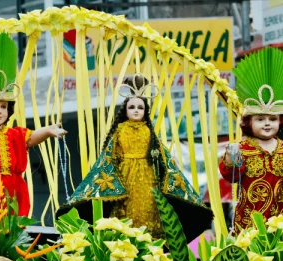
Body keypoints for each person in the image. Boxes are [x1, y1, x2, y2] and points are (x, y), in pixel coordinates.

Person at [58, 73, 212, 242]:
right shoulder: (120, 131)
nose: (136, 110)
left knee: (148, 208)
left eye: (140, 107)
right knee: (126, 209)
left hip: (148, 177)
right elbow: (109, 157)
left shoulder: (149, 132)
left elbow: (163, 156)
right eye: (132, 107)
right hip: (125, 177)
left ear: (145, 111)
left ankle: (147, 240)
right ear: (125, 110)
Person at [0, 32, 67, 216]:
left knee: (15, 229)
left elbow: (30, 139)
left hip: (15, 191)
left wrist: (47, 130)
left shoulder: (14, 134)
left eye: (3, 106)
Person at [219, 47, 283, 233]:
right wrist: (231, 159)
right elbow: (231, 176)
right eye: (260, 119)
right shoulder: (242, 148)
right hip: (250, 223)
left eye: (272, 119)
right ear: (248, 122)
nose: (266, 124)